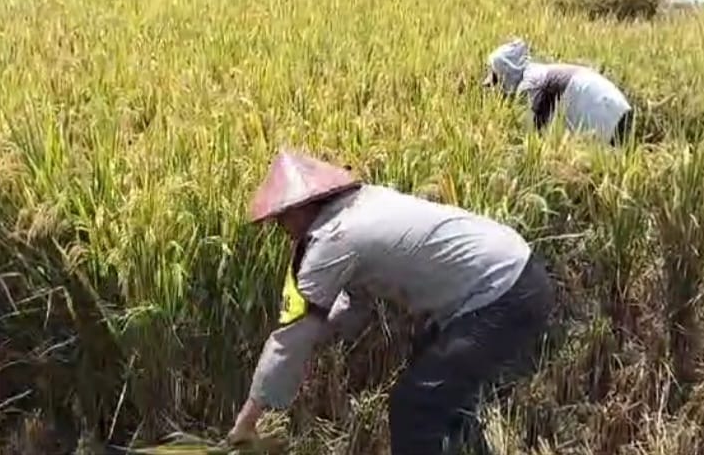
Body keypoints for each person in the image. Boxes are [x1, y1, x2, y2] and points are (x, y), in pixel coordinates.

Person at [227, 149, 555, 455]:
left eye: (282, 218)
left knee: (415, 407)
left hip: (501, 294)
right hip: (514, 275)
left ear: (302, 207)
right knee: (441, 396)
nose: (282, 229)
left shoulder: (333, 239)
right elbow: (354, 307)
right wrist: (316, 336)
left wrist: (247, 421)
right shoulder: (364, 203)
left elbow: (291, 337)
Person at [482, 38, 635, 146]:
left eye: (496, 80)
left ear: (506, 75)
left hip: (600, 113)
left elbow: (531, 139)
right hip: (617, 105)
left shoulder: (528, 87)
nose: (497, 91)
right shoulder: (538, 71)